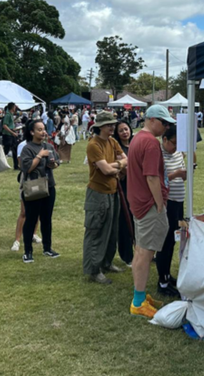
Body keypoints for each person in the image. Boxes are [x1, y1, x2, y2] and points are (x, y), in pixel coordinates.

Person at [127, 104, 175, 318]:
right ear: (153, 120)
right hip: (148, 204)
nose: (166, 127)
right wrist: (159, 203)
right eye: (164, 123)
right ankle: (138, 301)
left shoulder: (137, 138)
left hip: (138, 202)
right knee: (146, 253)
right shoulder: (151, 143)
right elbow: (152, 177)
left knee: (141, 250)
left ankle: (140, 294)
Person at [83, 111, 127, 284]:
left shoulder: (112, 141)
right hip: (98, 194)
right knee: (96, 231)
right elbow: (106, 170)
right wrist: (118, 166)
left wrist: (115, 165)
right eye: (109, 125)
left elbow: (126, 160)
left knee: (112, 230)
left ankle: (107, 262)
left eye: (113, 124)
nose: (112, 127)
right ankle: (94, 270)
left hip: (113, 191)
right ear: (100, 127)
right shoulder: (94, 145)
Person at [20, 120, 61, 263]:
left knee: (46, 219)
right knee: (31, 219)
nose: (43, 132)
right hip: (34, 187)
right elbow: (27, 168)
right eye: (39, 129)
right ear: (32, 132)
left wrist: (53, 163)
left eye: (43, 129)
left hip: (49, 186)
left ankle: (47, 248)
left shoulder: (49, 146)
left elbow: (56, 163)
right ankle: (27, 251)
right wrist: (39, 155)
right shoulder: (27, 149)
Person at [157, 126, 187, 297]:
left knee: (174, 240)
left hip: (178, 201)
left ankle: (168, 275)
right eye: (173, 143)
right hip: (167, 202)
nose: (175, 147)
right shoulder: (159, 155)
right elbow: (157, 179)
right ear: (165, 140)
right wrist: (176, 174)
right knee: (165, 242)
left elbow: (181, 174)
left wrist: (184, 174)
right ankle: (162, 280)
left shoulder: (177, 153)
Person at [113, 120, 135, 266]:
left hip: (138, 187)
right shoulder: (117, 148)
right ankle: (127, 256)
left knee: (138, 221)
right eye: (121, 130)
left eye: (126, 129)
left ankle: (141, 252)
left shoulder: (135, 144)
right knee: (125, 221)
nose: (124, 132)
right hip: (123, 187)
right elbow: (122, 170)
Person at [1, 102, 20, 170]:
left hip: (11, 134)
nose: (15, 108)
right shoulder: (8, 115)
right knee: (6, 150)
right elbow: (4, 125)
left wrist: (14, 129)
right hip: (8, 135)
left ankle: (16, 166)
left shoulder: (11, 115)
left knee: (15, 149)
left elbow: (9, 125)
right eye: (15, 107)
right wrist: (12, 132)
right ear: (12, 107)